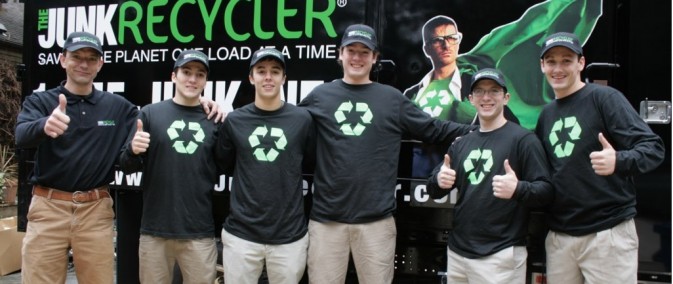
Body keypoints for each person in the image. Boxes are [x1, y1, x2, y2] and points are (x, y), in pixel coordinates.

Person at [14, 31, 222, 284]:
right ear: (62, 59)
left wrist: (203, 102)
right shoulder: (41, 101)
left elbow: (166, 116)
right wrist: (44, 125)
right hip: (48, 206)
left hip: (95, 208)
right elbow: (21, 136)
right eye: (76, 57)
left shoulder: (119, 107)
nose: (83, 64)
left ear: (100, 64)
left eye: (91, 58)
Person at [298, 24, 474, 283]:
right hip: (326, 223)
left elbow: (434, 129)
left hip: (376, 223)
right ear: (340, 54)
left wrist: (483, 131)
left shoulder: (392, 99)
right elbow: (285, 125)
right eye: (351, 51)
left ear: (375, 58)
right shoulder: (320, 96)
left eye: (364, 52)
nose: (357, 58)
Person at [535, 32, 665, 283]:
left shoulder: (605, 99)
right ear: (542, 66)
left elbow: (653, 148)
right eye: (551, 61)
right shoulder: (546, 115)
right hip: (561, 238)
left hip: (607, 236)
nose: (558, 68)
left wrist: (619, 160)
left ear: (581, 63)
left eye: (566, 60)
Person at [426, 68, 553, 283]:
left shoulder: (524, 140)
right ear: (470, 99)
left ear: (506, 97)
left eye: (494, 91)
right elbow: (433, 188)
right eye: (479, 92)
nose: (486, 97)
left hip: (500, 255)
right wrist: (438, 179)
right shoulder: (462, 142)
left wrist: (518, 189)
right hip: (458, 254)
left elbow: (546, 191)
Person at [118, 50, 221, 283]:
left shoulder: (214, 120)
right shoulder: (150, 114)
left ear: (205, 81)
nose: (192, 79)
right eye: (186, 72)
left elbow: (226, 164)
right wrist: (133, 150)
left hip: (199, 233)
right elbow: (125, 165)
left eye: (199, 74)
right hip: (155, 232)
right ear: (173, 76)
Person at [215, 48, 314, 284]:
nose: (268, 77)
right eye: (261, 71)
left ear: (284, 78)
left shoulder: (302, 120)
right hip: (242, 236)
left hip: (289, 237)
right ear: (251, 77)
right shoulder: (235, 121)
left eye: (275, 71)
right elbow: (223, 165)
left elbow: (311, 163)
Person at [403, 15, 519, 178]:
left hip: (471, 172)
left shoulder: (476, 86)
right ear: (427, 48)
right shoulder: (412, 93)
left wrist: (478, 119)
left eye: (452, 38)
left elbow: (511, 127)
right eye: (438, 40)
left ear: (459, 41)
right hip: (420, 173)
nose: (446, 45)